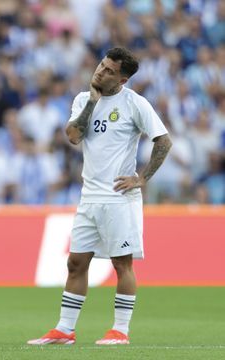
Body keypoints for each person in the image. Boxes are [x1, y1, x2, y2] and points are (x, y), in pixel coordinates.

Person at [27, 47, 172, 346]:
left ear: (122, 79)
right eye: (101, 66)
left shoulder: (134, 103)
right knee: (76, 263)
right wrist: (92, 102)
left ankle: (120, 330)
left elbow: (164, 141)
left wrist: (142, 178)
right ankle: (65, 330)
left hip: (119, 197)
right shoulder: (83, 99)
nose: (100, 72)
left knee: (122, 264)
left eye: (108, 70)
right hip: (89, 196)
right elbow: (73, 136)